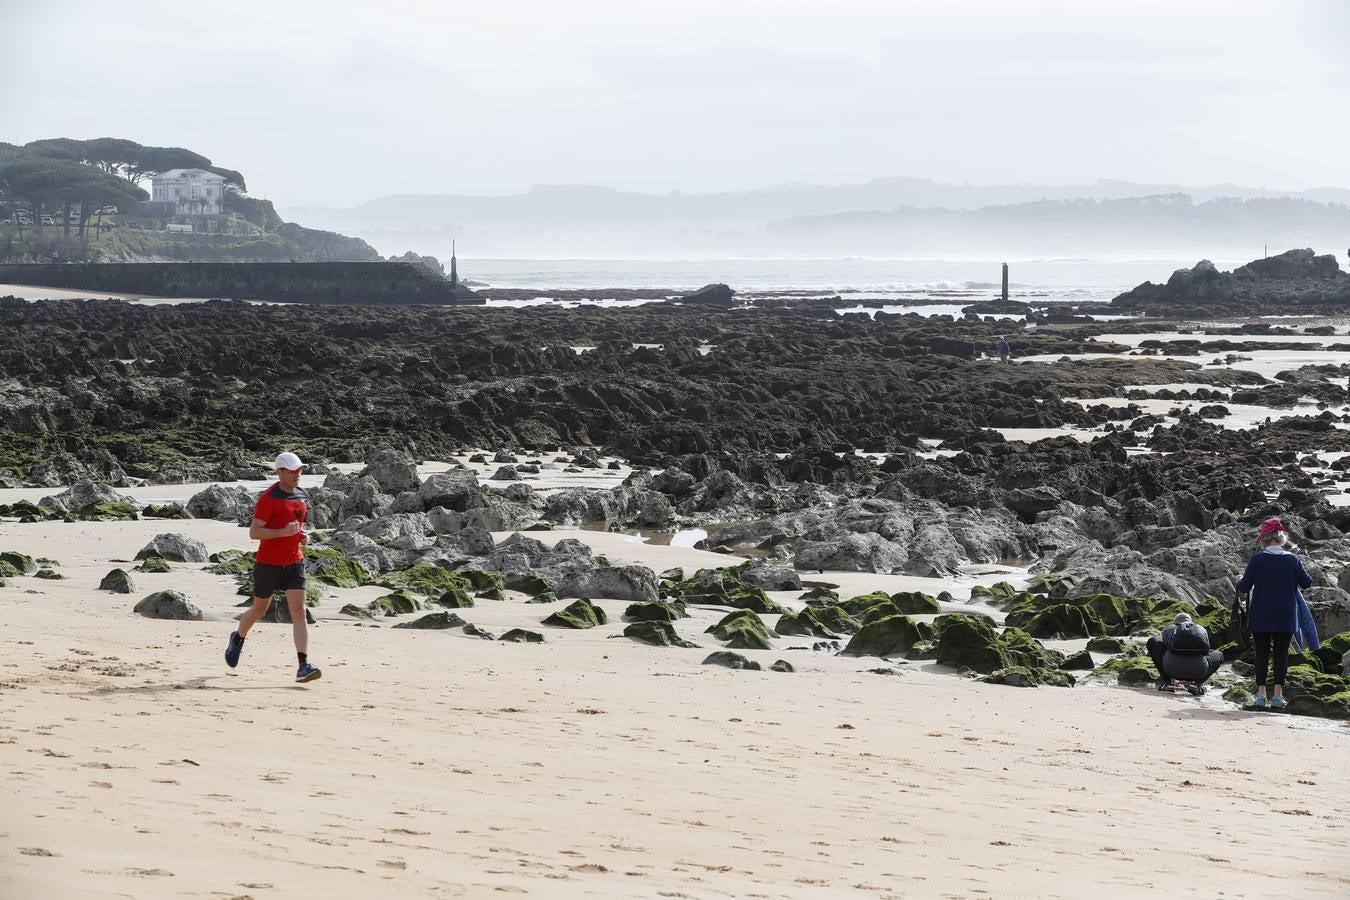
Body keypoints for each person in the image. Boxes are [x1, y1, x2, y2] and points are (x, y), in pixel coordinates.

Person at [224, 451, 321, 683]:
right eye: (292, 471)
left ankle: (303, 665)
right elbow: (254, 532)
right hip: (268, 564)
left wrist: (300, 536)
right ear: (280, 473)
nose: (298, 475)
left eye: (300, 470)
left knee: (299, 612)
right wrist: (283, 533)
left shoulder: (302, 495)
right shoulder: (269, 498)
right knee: (259, 610)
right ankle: (238, 637)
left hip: (294, 562)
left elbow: (295, 526)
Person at [1235, 517, 1311, 709]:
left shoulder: (1257, 560)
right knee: (1281, 654)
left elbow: (1244, 587)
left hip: (1261, 613)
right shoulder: (1293, 559)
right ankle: (1277, 696)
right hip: (1285, 614)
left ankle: (1261, 695)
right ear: (1281, 537)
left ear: (1265, 539)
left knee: (1261, 654)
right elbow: (1307, 582)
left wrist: (1240, 578)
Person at [1147, 612, 1223, 695]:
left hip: (1171, 669)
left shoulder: (1169, 629)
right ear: (1191, 622)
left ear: (1175, 622)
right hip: (1198, 672)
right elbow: (1205, 651)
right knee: (1219, 655)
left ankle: (1167, 683)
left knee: (1152, 641)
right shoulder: (1200, 629)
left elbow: (1165, 647)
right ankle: (1197, 685)